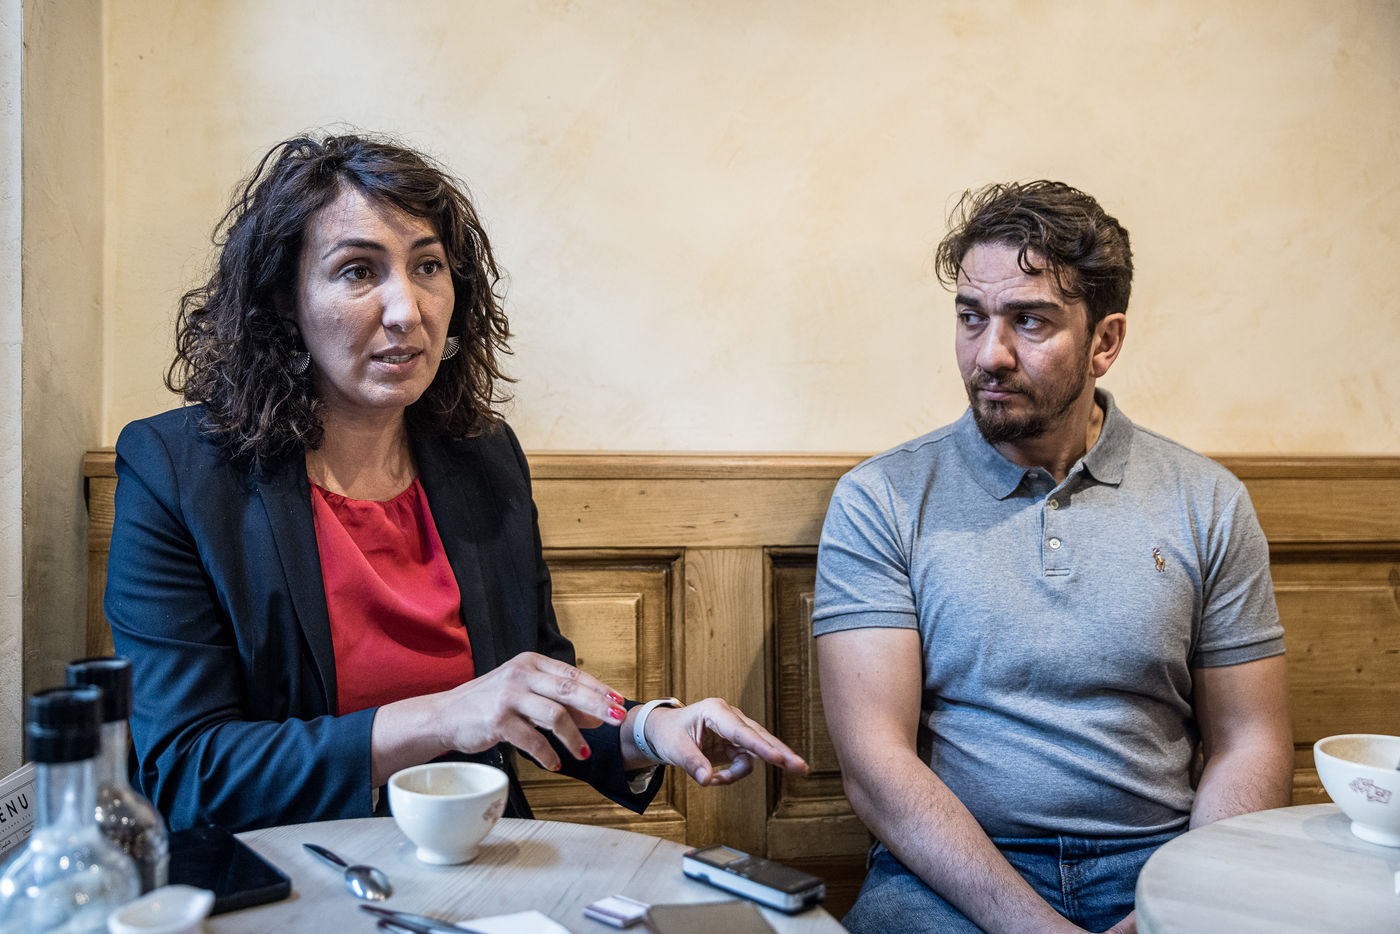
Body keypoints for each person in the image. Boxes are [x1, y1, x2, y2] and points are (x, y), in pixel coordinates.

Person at [106, 132, 807, 834]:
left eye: (428, 266)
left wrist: (652, 730)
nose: (407, 311)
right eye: (358, 271)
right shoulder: (176, 470)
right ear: (285, 299)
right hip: (282, 865)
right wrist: (446, 715)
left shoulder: (483, 457)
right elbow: (186, 773)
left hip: (475, 855)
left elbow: (533, 690)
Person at [813, 181, 1292, 934]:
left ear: (1105, 342)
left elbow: (1250, 742)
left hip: (1159, 862)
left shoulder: (1208, 501)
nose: (989, 354)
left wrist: (1182, 902)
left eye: (1029, 321)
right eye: (971, 317)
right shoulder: (882, 500)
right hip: (947, 874)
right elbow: (877, 766)